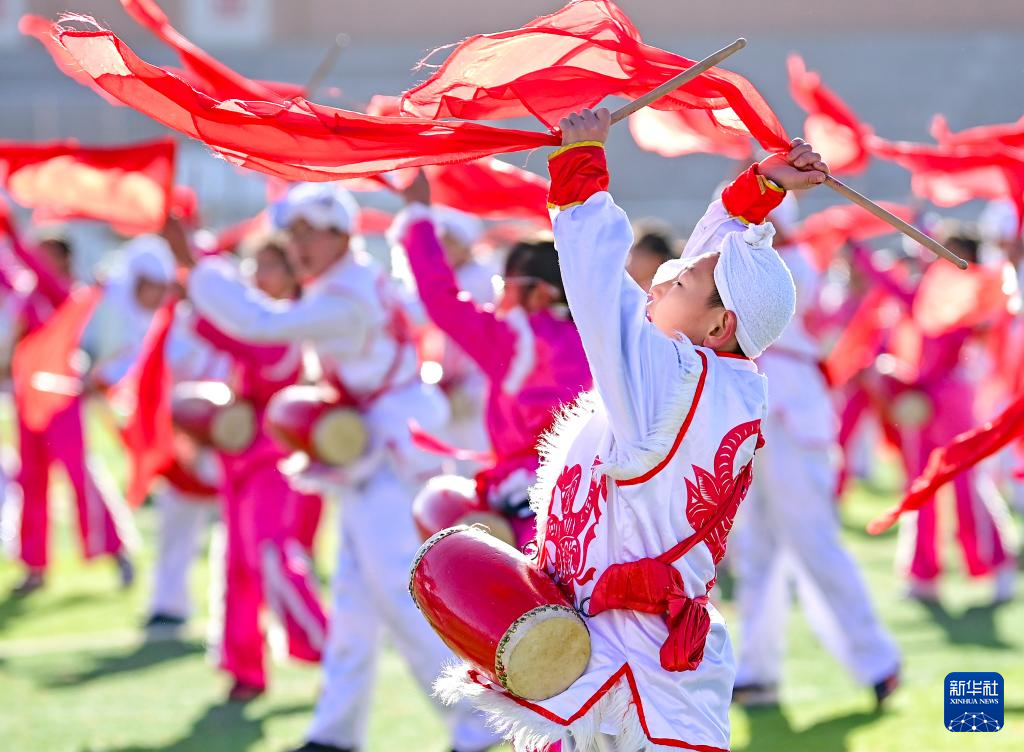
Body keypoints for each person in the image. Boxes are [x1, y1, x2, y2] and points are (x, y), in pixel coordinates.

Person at [435, 108, 824, 752]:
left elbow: (598, 292)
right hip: (626, 660)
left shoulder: (673, 376)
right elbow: (712, 270)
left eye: (681, 280)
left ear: (718, 326)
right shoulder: (712, 373)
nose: (663, 280)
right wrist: (762, 189)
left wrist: (581, 167)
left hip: (630, 672)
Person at [173, 184, 498, 751]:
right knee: (353, 601)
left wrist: (194, 264)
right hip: (376, 453)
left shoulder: (345, 297)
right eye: (291, 233)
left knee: (404, 595)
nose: (296, 245)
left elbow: (258, 323)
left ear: (341, 236)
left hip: (389, 456)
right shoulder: (351, 281)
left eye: (308, 233)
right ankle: (336, 731)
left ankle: (477, 723)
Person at [729, 197, 902, 708]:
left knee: (813, 539)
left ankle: (876, 659)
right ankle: (756, 669)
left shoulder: (793, 261)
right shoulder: (747, 259)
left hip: (791, 411)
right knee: (756, 546)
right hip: (750, 407)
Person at [393, 173, 592, 549]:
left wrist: (418, 216)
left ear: (539, 293)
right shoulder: (602, 333)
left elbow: (440, 298)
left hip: (524, 497)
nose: (503, 298)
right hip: (592, 494)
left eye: (508, 286)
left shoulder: (516, 338)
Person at [11, 232, 140, 595]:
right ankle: (34, 566)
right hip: (28, 399)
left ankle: (116, 551)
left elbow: (31, 267)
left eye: (46, 253)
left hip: (62, 400)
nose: (38, 259)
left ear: (63, 260)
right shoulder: (29, 295)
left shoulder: (66, 294)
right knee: (31, 480)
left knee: (80, 476)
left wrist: (9, 229)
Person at [626, 218, 679, 292]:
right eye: (631, 256)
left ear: (657, 259)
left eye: (638, 257)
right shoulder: (626, 287)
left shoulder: (665, 292)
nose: (629, 263)